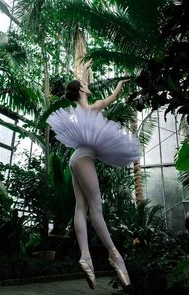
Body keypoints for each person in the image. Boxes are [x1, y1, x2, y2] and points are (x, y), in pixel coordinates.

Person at [47, 60, 140, 289]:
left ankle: (85, 256)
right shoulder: (93, 106)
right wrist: (119, 84)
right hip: (84, 157)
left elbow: (80, 87)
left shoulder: (79, 110)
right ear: (81, 90)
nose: (89, 86)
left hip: (75, 159)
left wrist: (84, 71)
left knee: (81, 207)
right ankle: (115, 255)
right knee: (96, 206)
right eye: (85, 85)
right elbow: (113, 98)